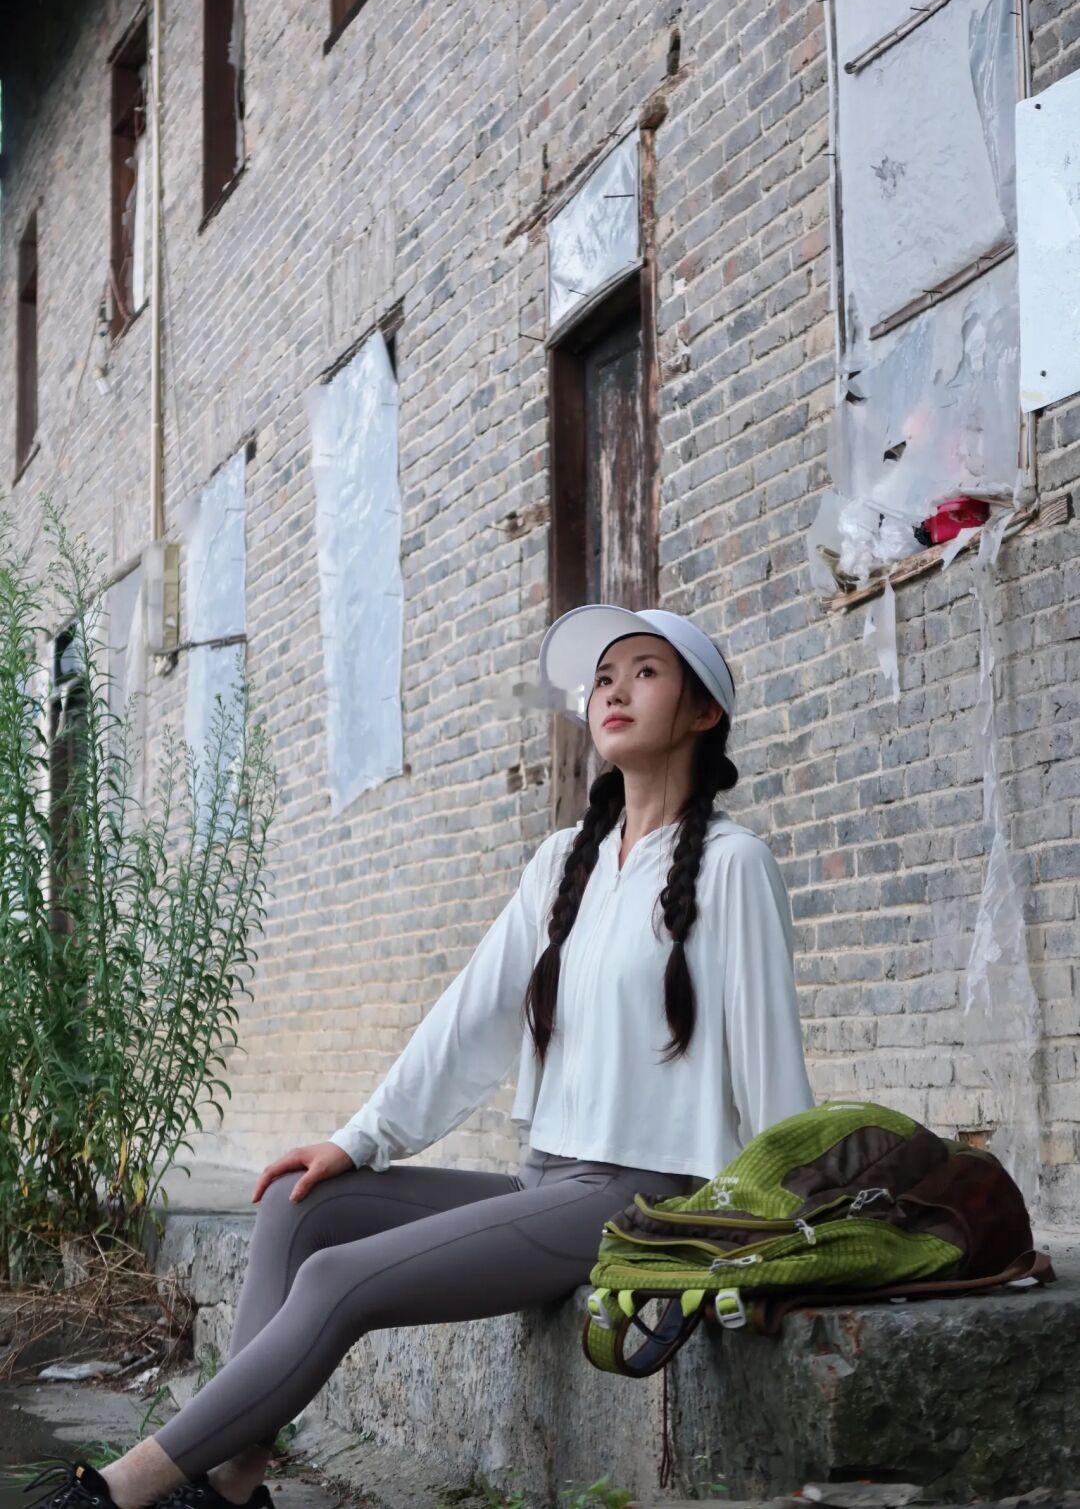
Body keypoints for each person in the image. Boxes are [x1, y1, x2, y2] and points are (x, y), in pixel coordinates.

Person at [30, 605, 814, 1509]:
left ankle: (120, 1490)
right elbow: (468, 1018)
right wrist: (359, 1138)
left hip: (641, 1202)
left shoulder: (734, 865)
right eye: (604, 676)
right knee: (301, 1204)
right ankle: (234, 1489)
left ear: (704, 710)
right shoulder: (565, 861)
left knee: (338, 1279)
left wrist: (792, 1229)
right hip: (543, 1181)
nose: (614, 690)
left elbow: (774, 1074)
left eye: (644, 672)